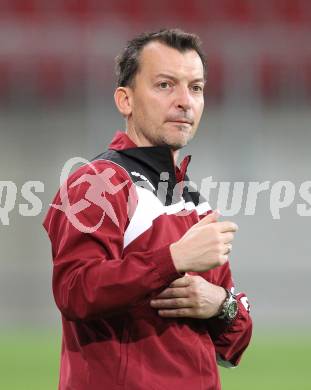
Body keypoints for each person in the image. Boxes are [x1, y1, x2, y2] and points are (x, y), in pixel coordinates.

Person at [43, 28, 252, 390]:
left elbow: (233, 343)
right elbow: (75, 292)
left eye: (196, 87)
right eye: (165, 85)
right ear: (125, 100)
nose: (185, 101)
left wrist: (220, 303)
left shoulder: (194, 200)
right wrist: (172, 260)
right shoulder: (96, 182)